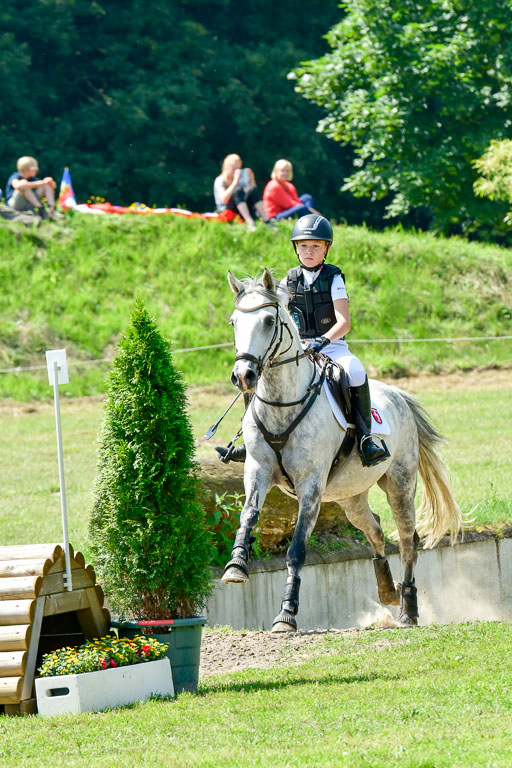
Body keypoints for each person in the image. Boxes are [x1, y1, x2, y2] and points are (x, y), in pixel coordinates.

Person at [217, 213, 390, 468]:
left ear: (326, 249)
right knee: (257, 375)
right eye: (303, 246)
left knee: (355, 371)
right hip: (299, 349)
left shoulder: (334, 278)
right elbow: (276, 312)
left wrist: (321, 342)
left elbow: (344, 322)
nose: (309, 251)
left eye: (315, 246)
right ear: (296, 248)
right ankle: (249, 439)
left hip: (332, 345)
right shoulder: (289, 280)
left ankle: (366, 438)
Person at [213, 154, 276, 232]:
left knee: (253, 190)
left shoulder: (241, 178)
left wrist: (252, 180)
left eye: (238, 168)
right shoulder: (220, 180)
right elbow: (223, 200)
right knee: (237, 190)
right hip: (226, 210)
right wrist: (234, 183)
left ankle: (266, 220)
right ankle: (250, 222)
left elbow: (251, 195)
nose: (236, 171)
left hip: (242, 207)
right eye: (233, 168)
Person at [5, 156, 64, 221]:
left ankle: (52, 210)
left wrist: (49, 182)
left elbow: (52, 187)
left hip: (29, 204)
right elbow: (17, 186)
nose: (37, 170)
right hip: (14, 205)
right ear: (27, 169)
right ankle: (41, 209)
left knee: (45, 185)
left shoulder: (32, 179)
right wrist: (42, 182)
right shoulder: (15, 176)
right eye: (35, 168)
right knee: (23, 185)